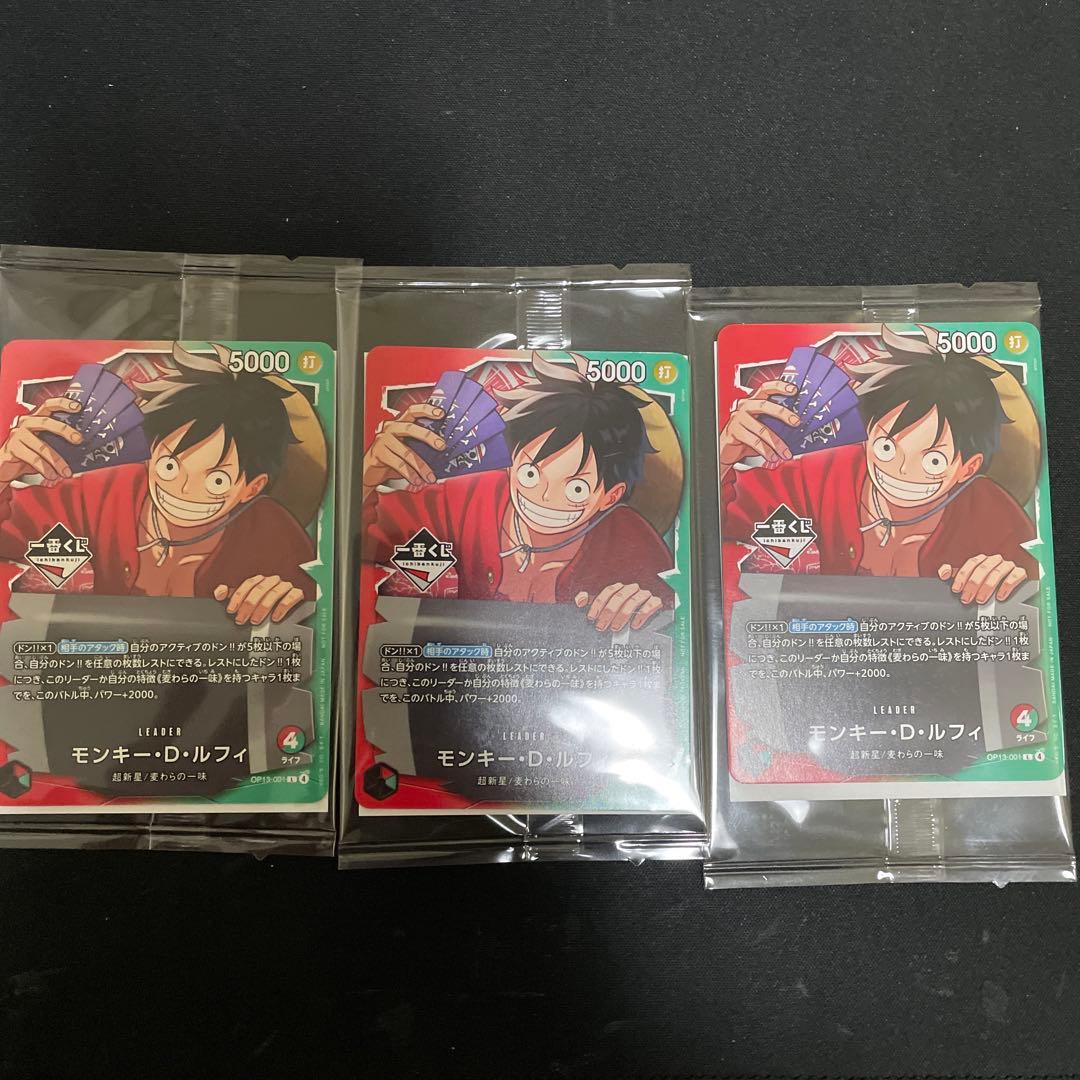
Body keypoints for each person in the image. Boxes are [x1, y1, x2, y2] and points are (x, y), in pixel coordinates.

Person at [719, 324, 1037, 605]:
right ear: (867, 434)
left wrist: (1009, 579)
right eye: (886, 447)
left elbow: (1035, 583)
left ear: (968, 467)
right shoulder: (824, 476)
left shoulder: (992, 516)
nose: (901, 470)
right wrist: (723, 457)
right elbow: (722, 519)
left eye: (933, 460)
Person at [0, 343, 315, 625]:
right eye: (169, 466)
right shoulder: (103, 494)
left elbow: (312, 606)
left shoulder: (275, 536)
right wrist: (3, 471)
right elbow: (9, 533)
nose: (183, 489)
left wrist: (286, 598)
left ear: (252, 488)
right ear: (151, 454)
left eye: (217, 480)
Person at [362, 352, 675, 632]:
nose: (544, 497)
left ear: (610, 496)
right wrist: (365, 477)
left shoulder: (630, 541)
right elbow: (363, 538)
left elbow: (672, 608)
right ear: (511, 463)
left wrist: (649, 606)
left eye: (576, 488)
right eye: (530, 474)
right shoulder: (465, 500)